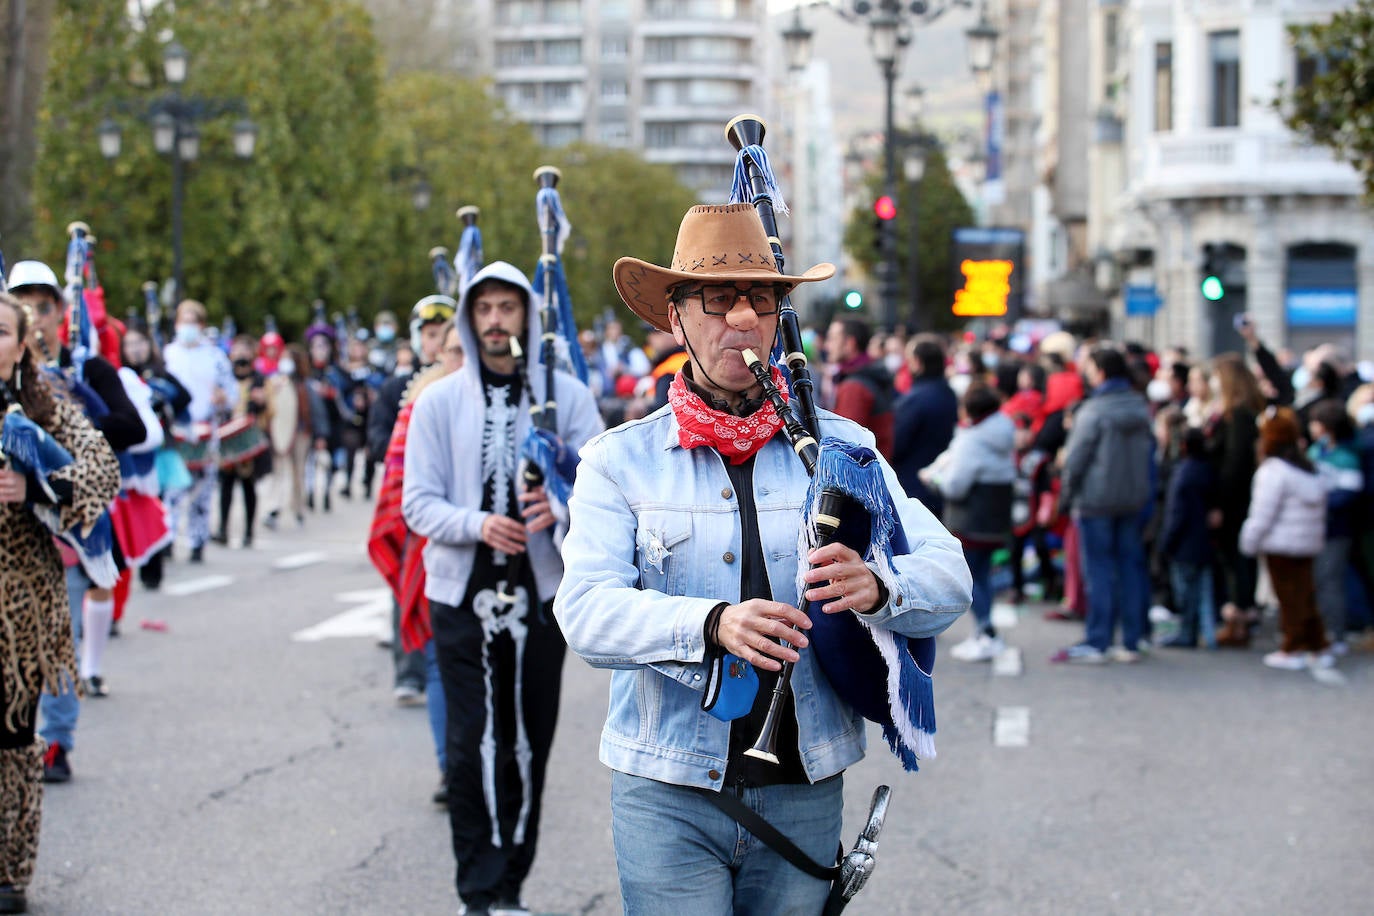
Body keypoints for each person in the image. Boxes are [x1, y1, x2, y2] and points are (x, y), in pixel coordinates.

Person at [555, 203, 969, 914]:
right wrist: (712, 624)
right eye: (718, 299)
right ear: (675, 319)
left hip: (804, 791)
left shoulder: (843, 450)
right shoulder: (619, 462)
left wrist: (877, 585)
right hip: (668, 794)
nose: (742, 319)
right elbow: (585, 613)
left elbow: (949, 574)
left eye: (763, 299)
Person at [403, 261, 602, 915]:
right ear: (469, 319)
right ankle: (478, 891)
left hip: (540, 597)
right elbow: (418, 505)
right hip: (461, 596)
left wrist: (561, 508)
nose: (494, 321)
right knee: (470, 743)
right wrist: (479, 523)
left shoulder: (566, 397)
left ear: (526, 317)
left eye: (506, 308)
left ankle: (511, 885)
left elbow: (607, 492)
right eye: (483, 309)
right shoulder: (437, 401)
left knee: (527, 742)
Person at [0, 291, 120, 913]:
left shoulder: (43, 406)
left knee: (12, 737)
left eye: (0, 332)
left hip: (18, 599)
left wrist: (39, 486)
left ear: (21, 346)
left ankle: (8, 867)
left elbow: (103, 473)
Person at [8, 260, 148, 784]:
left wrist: (58, 452)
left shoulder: (84, 372)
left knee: (54, 640)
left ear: (61, 313)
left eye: (43, 306)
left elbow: (128, 432)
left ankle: (58, 741)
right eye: (22, 306)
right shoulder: (11, 381)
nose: (35, 317)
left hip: (59, 529)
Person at [368, 319, 465, 806]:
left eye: (464, 349)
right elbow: (397, 490)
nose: (459, 360)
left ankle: (488, 765)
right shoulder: (420, 404)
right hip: (430, 555)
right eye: (451, 350)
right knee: (436, 661)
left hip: (506, 564)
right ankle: (452, 771)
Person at [370, 294, 456, 705]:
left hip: (452, 503)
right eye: (428, 332)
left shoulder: (462, 385)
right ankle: (409, 672)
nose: (434, 339)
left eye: (442, 332)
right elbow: (376, 439)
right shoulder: (396, 388)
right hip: (410, 498)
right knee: (407, 583)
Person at [1052, 345, 1155, 664]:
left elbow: (1076, 460)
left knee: (1098, 572)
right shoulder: (1140, 407)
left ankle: (1099, 640)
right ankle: (1133, 639)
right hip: (1133, 498)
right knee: (1131, 568)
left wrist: (1066, 497)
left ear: (1100, 372)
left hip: (1095, 500)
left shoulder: (1093, 411)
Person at [921, 383, 1016, 662]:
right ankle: (985, 632)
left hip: (971, 517)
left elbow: (955, 486)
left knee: (973, 578)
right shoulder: (1003, 430)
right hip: (995, 517)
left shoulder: (971, 439)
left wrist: (934, 479)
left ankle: (987, 633)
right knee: (984, 574)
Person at [1239, 407, 1331, 670]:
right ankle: (1317, 643)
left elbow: (1262, 513)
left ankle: (1294, 646)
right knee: (1305, 596)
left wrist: (1249, 540)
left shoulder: (1273, 471)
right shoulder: (1307, 467)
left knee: (1290, 599)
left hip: (1282, 543)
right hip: (1307, 541)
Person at [162, 299, 237, 563]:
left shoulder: (215, 357)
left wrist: (223, 398)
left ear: (201, 325)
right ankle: (167, 540)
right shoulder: (168, 354)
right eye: (184, 320)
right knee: (172, 488)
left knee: (202, 492)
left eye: (193, 321)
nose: (188, 326)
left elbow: (232, 392)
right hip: (176, 431)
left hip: (206, 430)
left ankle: (197, 542)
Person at [1306, 398, 1363, 654]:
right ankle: (1319, 630)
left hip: (1336, 528)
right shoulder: (1316, 450)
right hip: (1315, 527)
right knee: (1316, 580)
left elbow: (1350, 493)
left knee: (1331, 581)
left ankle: (1335, 633)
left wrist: (1321, 501)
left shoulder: (1346, 456)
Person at [1158, 427, 1218, 649]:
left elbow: (1177, 513)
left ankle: (1188, 632)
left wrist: (1166, 542)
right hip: (1203, 540)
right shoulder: (1207, 470)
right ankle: (1206, 634)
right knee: (1203, 590)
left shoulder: (1183, 474)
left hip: (1185, 542)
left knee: (1187, 592)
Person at [213, 335, 271, 548]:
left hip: (248, 439)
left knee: (248, 485)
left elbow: (271, 412)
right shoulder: (224, 379)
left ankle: (249, 532)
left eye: (245, 351)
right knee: (226, 485)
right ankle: (223, 529)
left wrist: (263, 402)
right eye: (237, 350)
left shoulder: (260, 380)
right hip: (228, 438)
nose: (241, 355)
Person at [891, 333, 958, 517]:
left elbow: (897, 444)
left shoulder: (914, 400)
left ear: (918, 362)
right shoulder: (949, 394)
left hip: (912, 484)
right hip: (937, 481)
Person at [824, 316, 895, 459]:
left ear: (849, 344)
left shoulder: (854, 388)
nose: (827, 346)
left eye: (832, 339)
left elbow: (844, 444)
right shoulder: (868, 374)